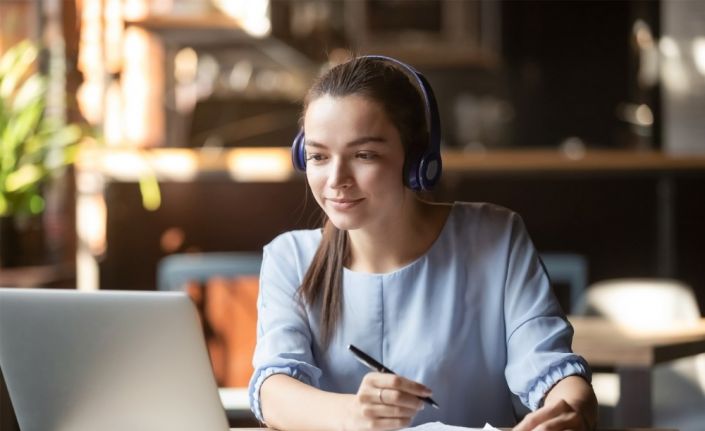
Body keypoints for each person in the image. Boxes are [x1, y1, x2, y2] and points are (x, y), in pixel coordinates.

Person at [248, 55, 597, 431]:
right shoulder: (291, 257)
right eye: (318, 156)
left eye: (364, 155)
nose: (336, 179)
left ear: (417, 160)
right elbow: (274, 391)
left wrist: (571, 412)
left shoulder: (495, 237)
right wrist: (355, 416)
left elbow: (551, 368)